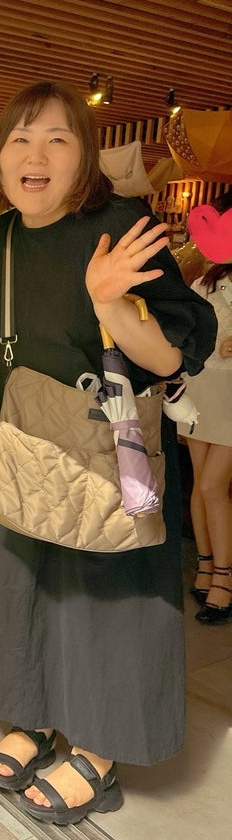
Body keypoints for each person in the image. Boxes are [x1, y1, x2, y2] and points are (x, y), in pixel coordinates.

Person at [0, 81, 217, 825]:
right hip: (22, 440)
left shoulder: (122, 227)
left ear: (84, 156)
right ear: (0, 157)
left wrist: (107, 302)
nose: (35, 156)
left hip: (105, 444)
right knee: (24, 583)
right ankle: (34, 720)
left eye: (57, 139)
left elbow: (172, 355)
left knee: (103, 598)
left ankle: (97, 751)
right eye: (20, 139)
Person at [177, 189, 232, 623]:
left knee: (213, 486)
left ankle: (224, 578)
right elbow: (192, 329)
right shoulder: (205, 278)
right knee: (201, 484)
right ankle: (207, 565)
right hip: (202, 385)